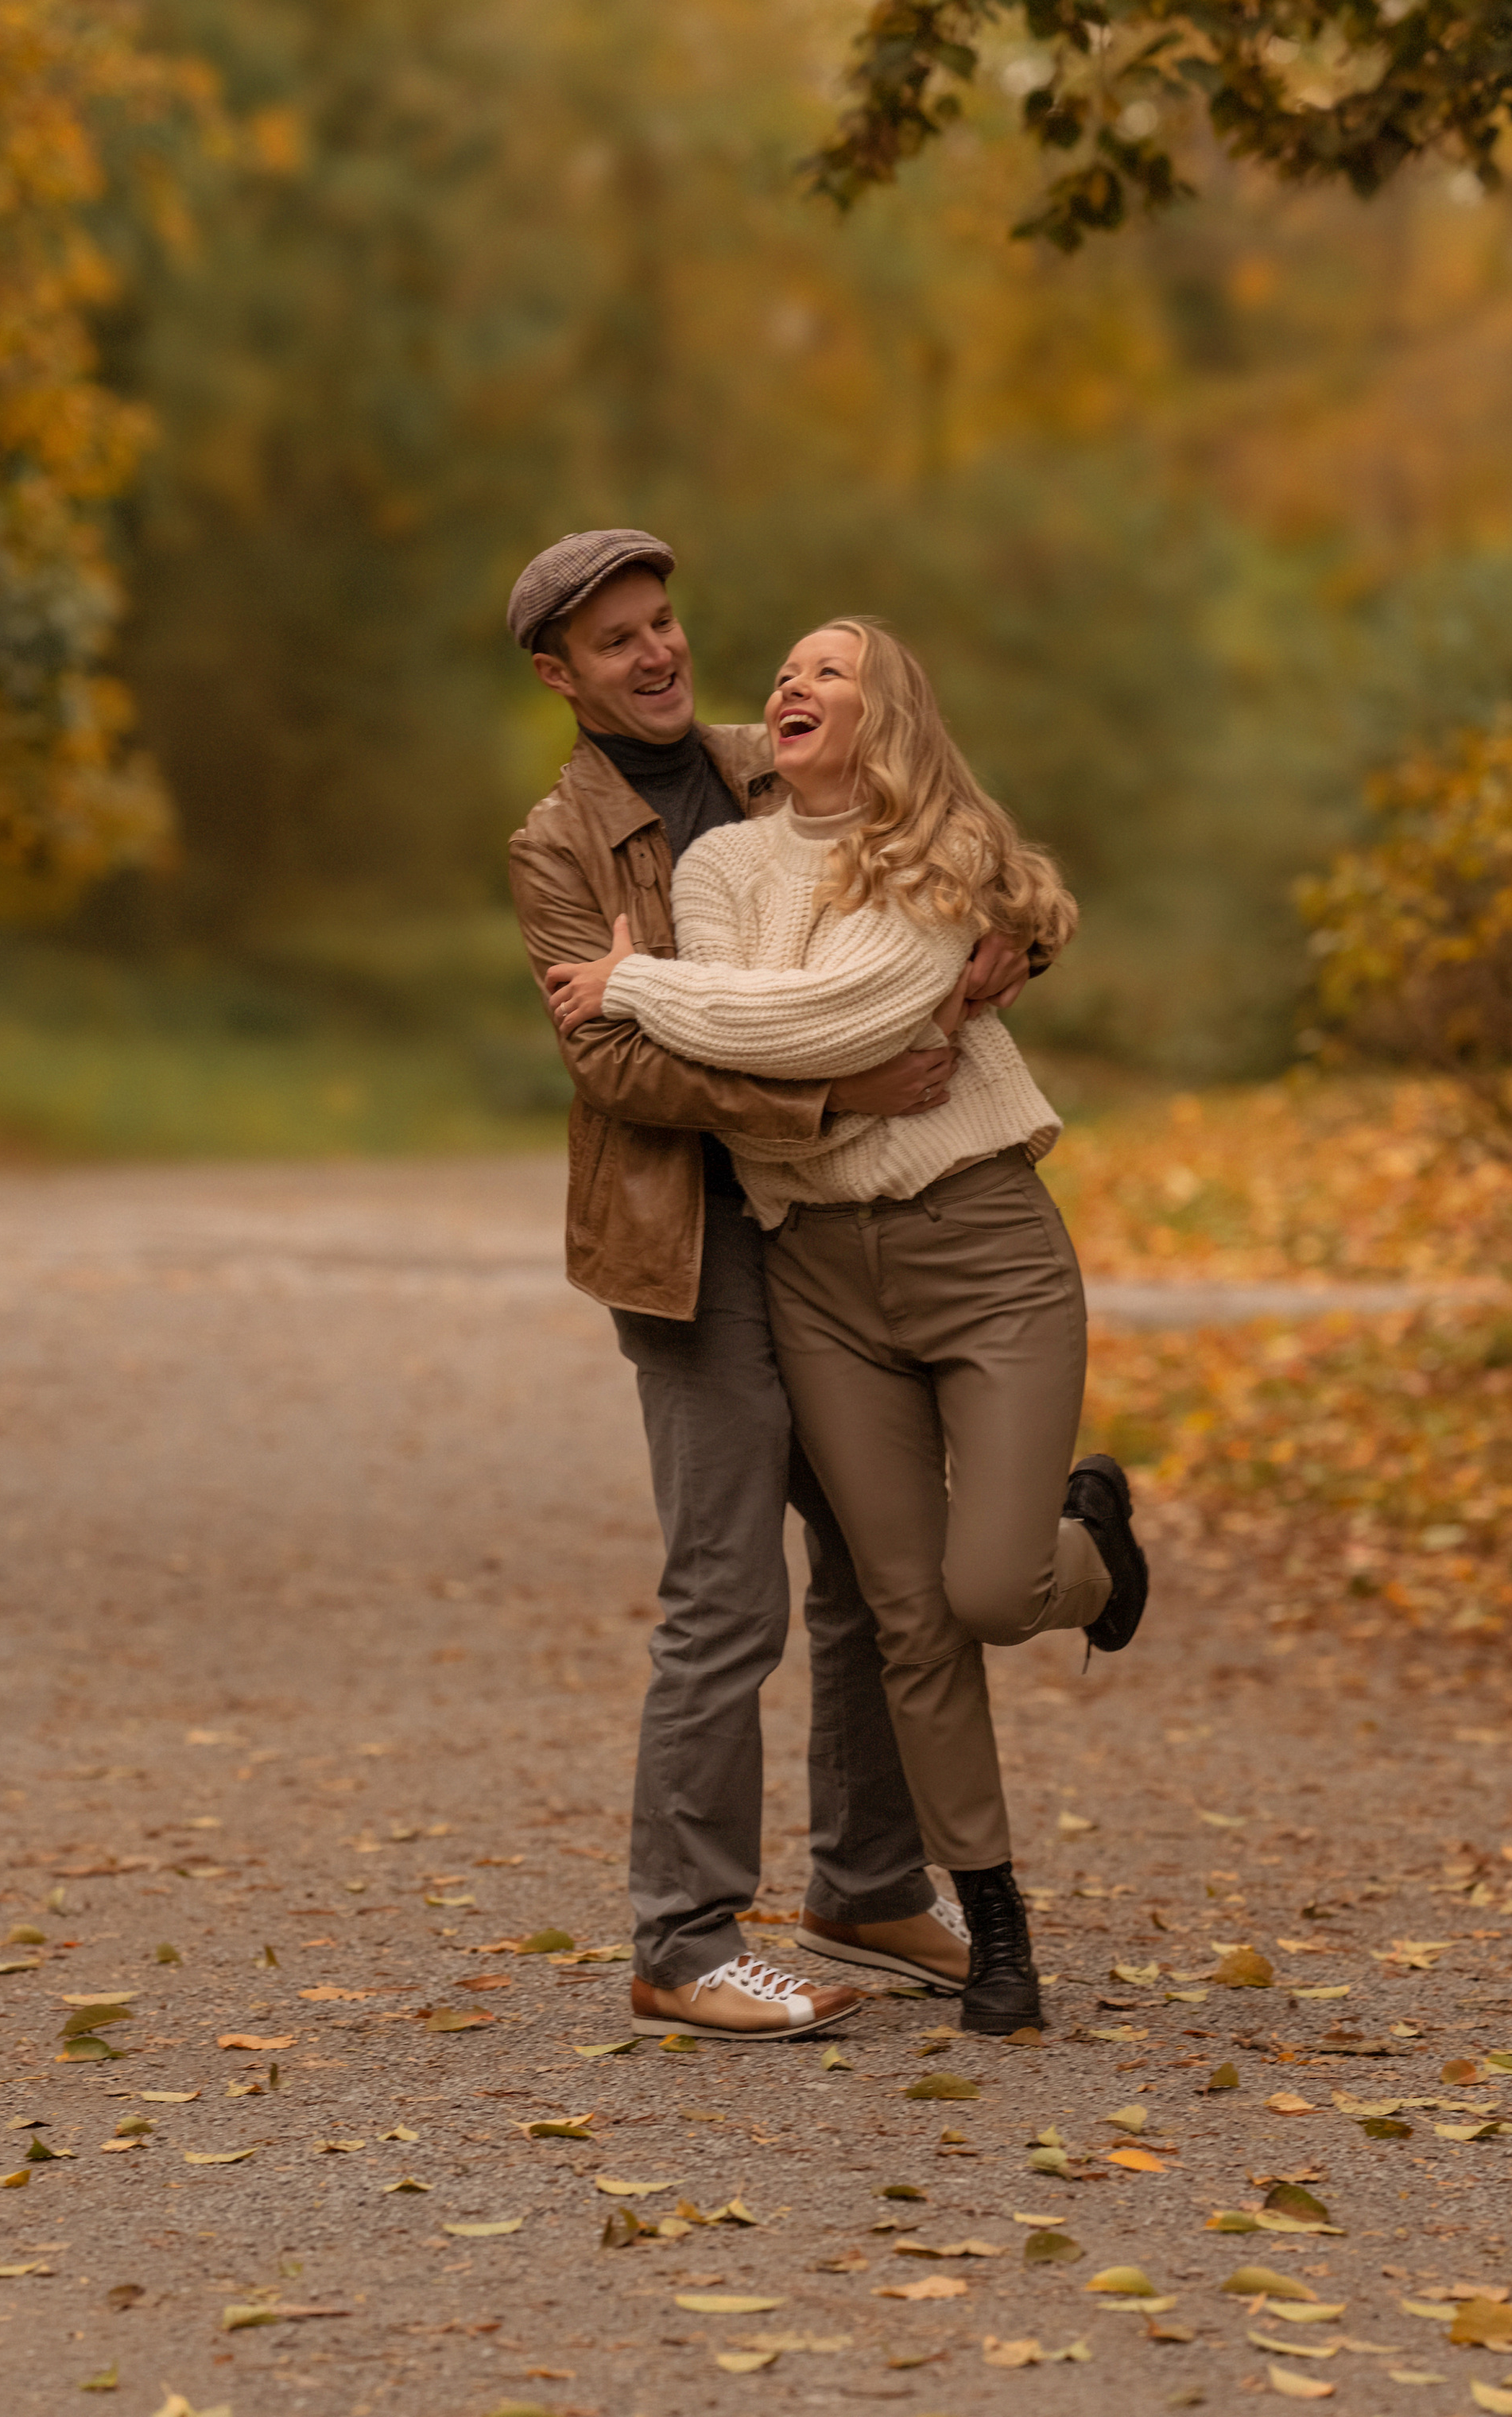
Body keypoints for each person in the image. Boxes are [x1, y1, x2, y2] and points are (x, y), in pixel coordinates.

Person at [543, 614, 1148, 2034]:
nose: (788, 684)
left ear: (886, 717)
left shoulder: (879, 825)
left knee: (978, 1589)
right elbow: (752, 1034)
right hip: (776, 1257)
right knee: (847, 1604)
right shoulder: (670, 852)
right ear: (556, 674)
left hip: (973, 1235)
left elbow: (829, 1007)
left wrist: (642, 981)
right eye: (792, 668)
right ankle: (905, 1928)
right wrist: (779, 1040)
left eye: (833, 671)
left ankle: (1083, 1573)